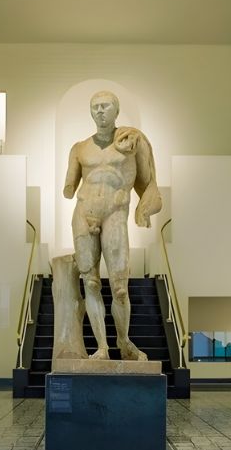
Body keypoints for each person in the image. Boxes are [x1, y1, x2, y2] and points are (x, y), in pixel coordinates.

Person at [63, 91, 162, 360]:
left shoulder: (132, 141)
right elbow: (69, 189)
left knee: (119, 287)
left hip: (116, 212)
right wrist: (70, 182)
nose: (100, 111)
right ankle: (102, 348)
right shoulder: (79, 148)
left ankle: (124, 341)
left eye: (105, 106)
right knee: (91, 283)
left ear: (116, 111)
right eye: (95, 106)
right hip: (84, 213)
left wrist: (145, 207)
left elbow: (148, 181)